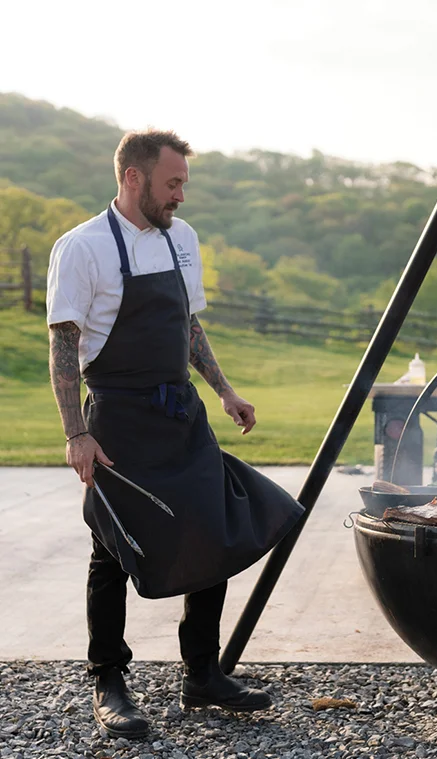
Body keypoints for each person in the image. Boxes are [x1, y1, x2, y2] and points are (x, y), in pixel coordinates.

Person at [46, 130, 305, 738]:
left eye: (183, 182)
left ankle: (202, 674)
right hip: (118, 418)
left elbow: (187, 325)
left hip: (181, 416)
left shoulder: (182, 240)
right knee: (112, 547)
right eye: (173, 183)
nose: (181, 195)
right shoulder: (81, 248)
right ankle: (108, 681)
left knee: (211, 530)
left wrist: (224, 389)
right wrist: (75, 433)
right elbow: (62, 345)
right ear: (133, 178)